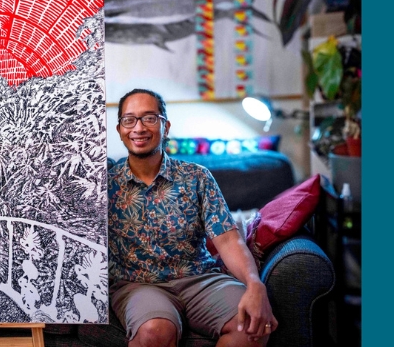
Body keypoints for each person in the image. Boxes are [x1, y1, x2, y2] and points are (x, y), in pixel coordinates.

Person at [108, 89, 277, 347]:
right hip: (137, 285)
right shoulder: (104, 184)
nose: (139, 128)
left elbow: (228, 240)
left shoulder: (197, 177)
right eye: (129, 120)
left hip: (201, 279)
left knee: (252, 327)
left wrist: (255, 285)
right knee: (155, 332)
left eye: (149, 118)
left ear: (166, 126)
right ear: (120, 129)